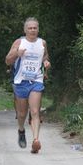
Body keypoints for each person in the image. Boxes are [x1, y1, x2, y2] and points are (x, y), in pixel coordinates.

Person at [5, 17, 51, 154]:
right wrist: (16, 53)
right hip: (21, 81)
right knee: (22, 113)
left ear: (38, 29)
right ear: (25, 30)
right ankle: (21, 130)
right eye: (30, 28)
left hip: (36, 80)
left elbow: (45, 57)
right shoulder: (19, 42)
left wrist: (47, 63)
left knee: (35, 111)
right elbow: (7, 61)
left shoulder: (42, 43)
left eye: (35, 28)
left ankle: (35, 140)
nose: (32, 30)